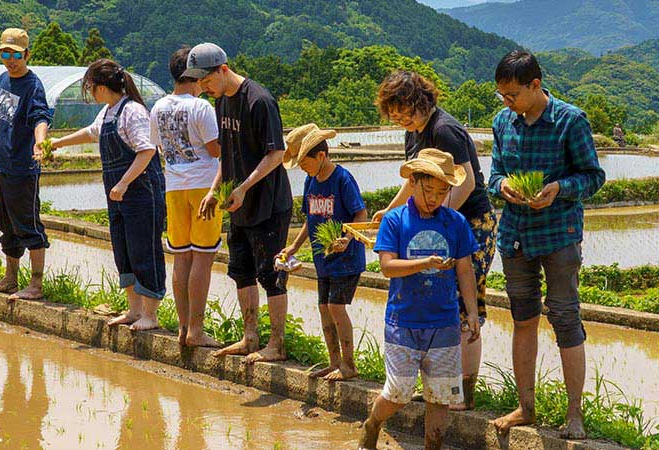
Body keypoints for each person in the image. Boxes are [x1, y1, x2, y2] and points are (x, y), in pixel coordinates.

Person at [486, 50, 605, 440]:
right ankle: (526, 406)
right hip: (515, 235)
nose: (507, 102)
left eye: (512, 94)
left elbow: (593, 176)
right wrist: (503, 186)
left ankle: (574, 414)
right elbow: (494, 175)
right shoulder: (503, 122)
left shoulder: (570, 121)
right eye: (502, 95)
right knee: (522, 320)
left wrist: (559, 189)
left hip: (558, 236)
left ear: (535, 85)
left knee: (566, 319)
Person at [371, 69, 497, 411]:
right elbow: (414, 181)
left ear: (419, 101)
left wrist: (440, 225)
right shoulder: (414, 133)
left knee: (463, 304)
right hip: (436, 220)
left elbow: (466, 182)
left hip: (469, 222)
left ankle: (463, 394)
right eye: (393, 115)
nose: (399, 120)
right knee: (435, 299)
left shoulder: (445, 130)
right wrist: (391, 211)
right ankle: (439, 389)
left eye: (403, 112)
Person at [361, 149, 480, 450]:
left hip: (444, 323)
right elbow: (388, 267)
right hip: (404, 321)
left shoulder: (455, 222)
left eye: (442, 192)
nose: (434, 199)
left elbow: (465, 270)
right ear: (413, 183)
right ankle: (373, 423)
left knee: (441, 396)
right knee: (398, 392)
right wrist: (423, 262)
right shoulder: (395, 221)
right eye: (428, 190)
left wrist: (473, 313)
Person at [186, 43, 295, 364]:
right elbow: (229, 155)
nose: (203, 88)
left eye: (205, 81)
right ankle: (250, 338)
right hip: (239, 203)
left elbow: (277, 153)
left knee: (271, 274)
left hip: (268, 204)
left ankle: (277, 343)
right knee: (241, 271)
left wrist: (245, 187)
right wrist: (213, 189)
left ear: (222, 69)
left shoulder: (259, 101)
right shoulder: (222, 102)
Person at [50, 59, 167, 330]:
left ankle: (151, 314)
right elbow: (92, 133)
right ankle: (134, 310)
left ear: (101, 88)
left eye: (90, 88)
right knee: (123, 250)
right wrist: (57, 142)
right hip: (118, 194)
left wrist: (124, 183)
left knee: (144, 250)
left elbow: (147, 151)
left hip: (140, 192)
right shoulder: (108, 112)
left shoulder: (133, 112)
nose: (90, 93)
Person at [0, 28, 54, 301]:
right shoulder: (3, 79)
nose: (10, 59)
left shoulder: (33, 85)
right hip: (1, 163)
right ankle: (10, 279)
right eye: (5, 53)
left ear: (26, 54)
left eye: (16, 54)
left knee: (28, 224)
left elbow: (41, 117)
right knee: (6, 224)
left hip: (22, 167)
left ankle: (36, 284)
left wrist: (40, 142)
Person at [277, 123, 367, 381]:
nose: (302, 168)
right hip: (322, 258)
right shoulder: (310, 181)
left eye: (304, 162)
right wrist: (295, 245)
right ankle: (334, 362)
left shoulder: (342, 179)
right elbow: (310, 217)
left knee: (336, 307)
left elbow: (360, 213)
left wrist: (347, 238)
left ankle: (349, 365)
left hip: (346, 258)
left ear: (321, 156)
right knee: (324, 308)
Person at [150, 46, 223, 346]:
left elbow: (158, 148)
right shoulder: (201, 107)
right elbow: (216, 149)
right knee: (203, 259)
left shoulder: (158, 107)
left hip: (174, 187)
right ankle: (196, 331)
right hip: (204, 187)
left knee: (181, 259)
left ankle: (182, 328)